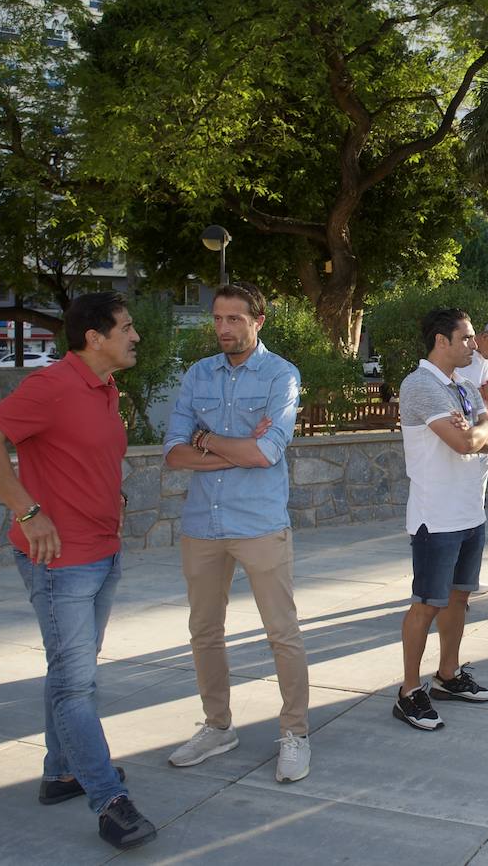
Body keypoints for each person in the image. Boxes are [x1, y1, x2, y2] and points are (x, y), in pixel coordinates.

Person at [0, 292, 156, 852]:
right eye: (126, 328)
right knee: (76, 683)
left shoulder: (106, 388)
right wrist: (28, 510)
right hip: (59, 564)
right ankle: (107, 799)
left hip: (102, 552)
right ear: (94, 338)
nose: (135, 336)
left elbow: (85, 455)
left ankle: (61, 772)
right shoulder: (52, 385)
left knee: (71, 671)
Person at [161, 283, 312, 783]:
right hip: (203, 525)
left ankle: (294, 733)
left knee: (282, 633)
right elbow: (174, 453)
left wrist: (207, 440)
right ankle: (217, 726)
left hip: (260, 524)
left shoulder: (281, 375)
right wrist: (227, 444)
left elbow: (266, 453)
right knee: (204, 631)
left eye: (234, 319)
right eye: (218, 318)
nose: (224, 328)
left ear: (258, 321)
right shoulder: (197, 375)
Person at [393, 308, 488, 731]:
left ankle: (448, 675)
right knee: (426, 605)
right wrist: (478, 429)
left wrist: (478, 426)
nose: (475, 345)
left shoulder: (464, 386)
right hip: (435, 519)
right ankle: (408, 691)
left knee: (459, 598)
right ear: (442, 341)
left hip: (470, 512)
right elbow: (465, 441)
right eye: (468, 338)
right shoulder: (420, 386)